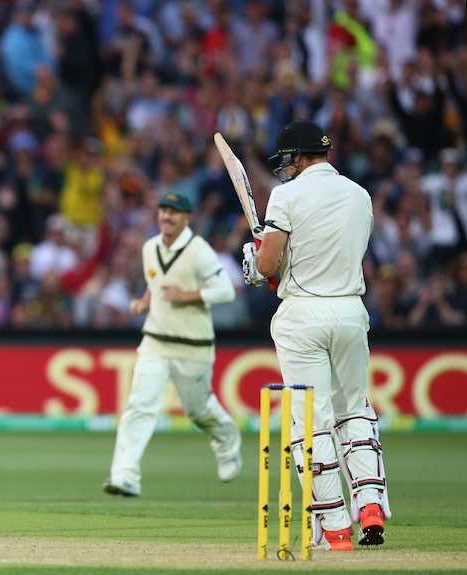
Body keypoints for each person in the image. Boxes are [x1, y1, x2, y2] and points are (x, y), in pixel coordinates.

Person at [243, 119, 391, 551]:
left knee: (311, 424)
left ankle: (335, 527)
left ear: (297, 157)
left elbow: (269, 267)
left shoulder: (286, 195)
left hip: (303, 315)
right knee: (355, 412)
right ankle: (370, 505)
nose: (284, 169)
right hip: (351, 310)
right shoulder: (360, 195)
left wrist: (255, 263)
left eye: (286, 160)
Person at [103, 191, 242, 498]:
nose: (166, 217)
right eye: (163, 211)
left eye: (173, 212)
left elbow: (225, 291)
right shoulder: (150, 247)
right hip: (155, 341)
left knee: (198, 411)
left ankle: (228, 442)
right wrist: (144, 302)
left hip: (193, 344)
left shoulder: (200, 251)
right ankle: (125, 475)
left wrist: (186, 296)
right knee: (139, 406)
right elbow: (158, 284)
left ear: (187, 218)